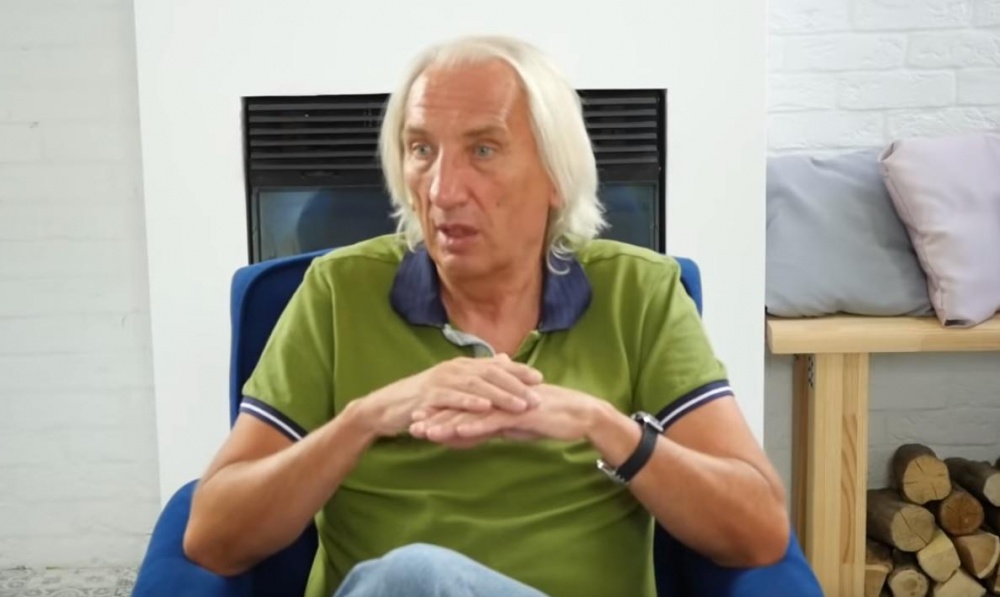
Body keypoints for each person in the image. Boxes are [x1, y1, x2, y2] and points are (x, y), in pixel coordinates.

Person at [182, 35, 791, 597]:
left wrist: (604, 426)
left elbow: (759, 531)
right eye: (422, 150)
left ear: (556, 174)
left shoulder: (640, 294)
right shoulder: (337, 294)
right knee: (413, 579)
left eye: (483, 149)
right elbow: (212, 536)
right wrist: (365, 419)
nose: (442, 190)